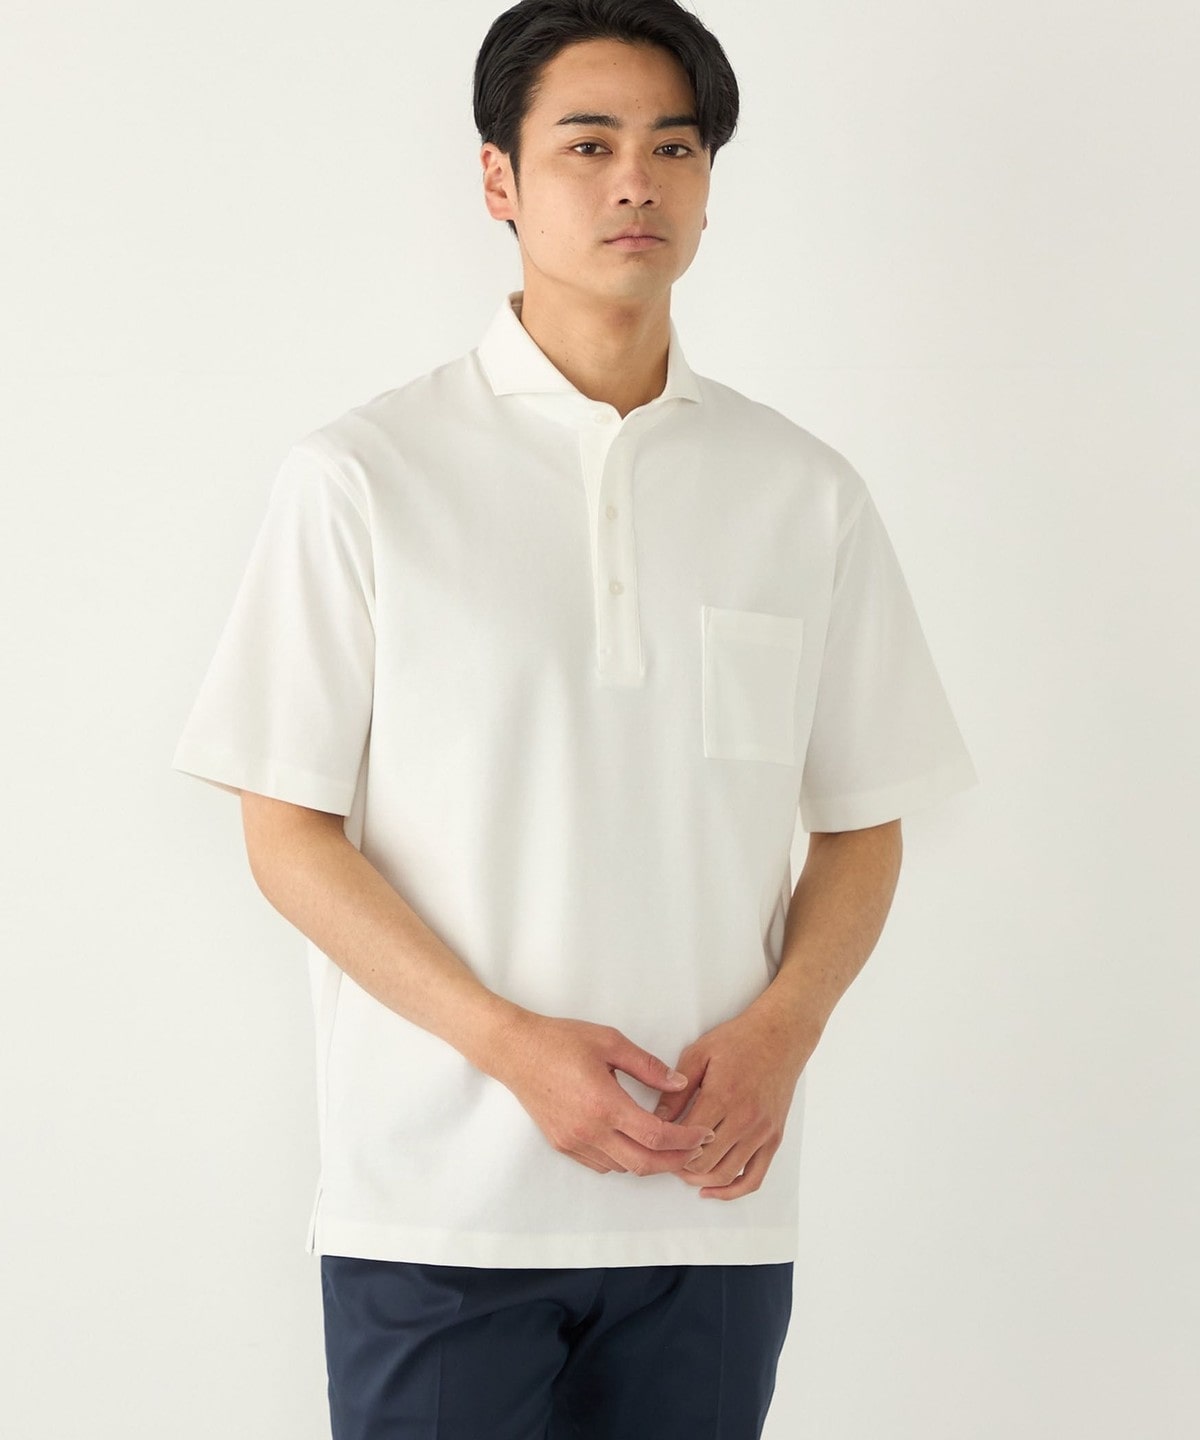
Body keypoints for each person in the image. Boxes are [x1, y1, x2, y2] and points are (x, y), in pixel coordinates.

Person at [171, 1, 979, 1435]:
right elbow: (287, 832)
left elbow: (864, 823)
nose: (635, 182)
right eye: (588, 144)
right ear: (500, 178)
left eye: (674, 146)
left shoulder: (803, 494)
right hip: (438, 1211)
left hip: (711, 1214)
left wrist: (785, 1031)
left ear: (710, 184)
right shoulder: (364, 477)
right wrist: (506, 1044)